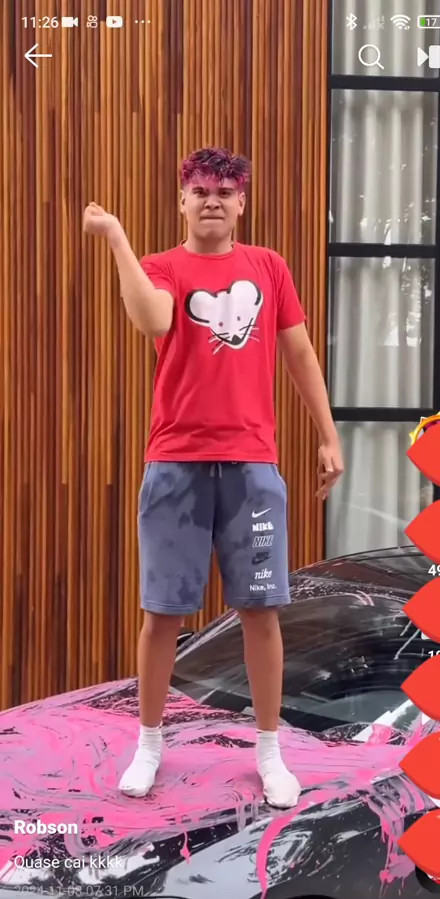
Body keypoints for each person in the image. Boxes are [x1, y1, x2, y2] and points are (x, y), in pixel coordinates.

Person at [83, 147, 343, 809]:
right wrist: (116, 238)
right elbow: (152, 319)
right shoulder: (162, 267)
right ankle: (148, 744)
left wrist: (328, 433)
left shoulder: (269, 267)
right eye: (200, 190)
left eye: (225, 191)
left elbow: (299, 352)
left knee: (261, 611)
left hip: (253, 466)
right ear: (182, 200)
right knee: (162, 614)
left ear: (241, 202)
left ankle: (269, 752)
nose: (212, 201)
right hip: (175, 462)